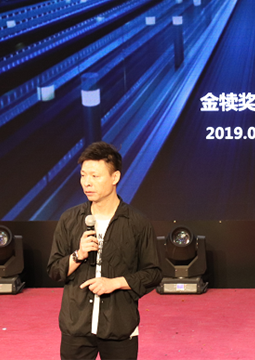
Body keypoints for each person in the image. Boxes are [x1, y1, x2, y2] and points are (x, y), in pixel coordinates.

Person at [47, 141, 162, 360]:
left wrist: (115, 283)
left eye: (95, 176)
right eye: (83, 175)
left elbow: (153, 274)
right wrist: (78, 255)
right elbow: (54, 270)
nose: (87, 183)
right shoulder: (69, 219)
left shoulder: (137, 223)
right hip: (76, 325)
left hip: (119, 325)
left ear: (115, 177)